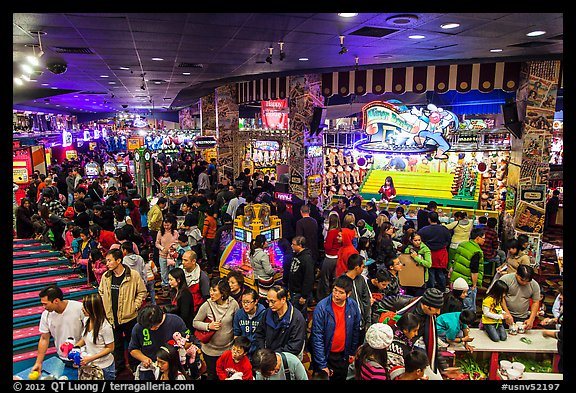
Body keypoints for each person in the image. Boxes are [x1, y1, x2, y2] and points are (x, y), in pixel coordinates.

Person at [98, 248, 147, 375]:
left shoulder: (133, 275)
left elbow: (142, 292)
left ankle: (135, 366)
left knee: (133, 343)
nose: (107, 263)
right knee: (116, 345)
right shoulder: (106, 276)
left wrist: (134, 306)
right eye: (106, 261)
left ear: (118, 260)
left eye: (109, 261)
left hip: (129, 318)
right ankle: (119, 368)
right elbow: (101, 292)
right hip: (111, 318)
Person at [310, 275, 361, 380]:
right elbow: (317, 337)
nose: (336, 295)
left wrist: (352, 351)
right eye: (335, 290)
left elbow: (355, 330)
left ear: (348, 294)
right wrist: (322, 364)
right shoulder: (322, 307)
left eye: (341, 292)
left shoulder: (353, 306)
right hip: (326, 355)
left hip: (343, 355)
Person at [31, 285, 85, 375]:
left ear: (56, 301)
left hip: (84, 357)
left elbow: (91, 333)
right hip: (63, 358)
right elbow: (44, 338)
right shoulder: (46, 315)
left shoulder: (79, 308)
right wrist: (38, 362)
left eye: (45, 304)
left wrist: (77, 349)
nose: (43, 307)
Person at [192, 278, 239, 380]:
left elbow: (237, 325)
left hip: (228, 350)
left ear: (223, 292)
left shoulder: (233, 304)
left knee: (227, 375)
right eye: (210, 290)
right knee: (212, 375)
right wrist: (208, 326)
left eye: (214, 290)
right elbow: (195, 322)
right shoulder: (207, 305)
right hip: (210, 351)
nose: (211, 293)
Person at [128, 305, 191, 381]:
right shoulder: (139, 326)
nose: (151, 329)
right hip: (151, 365)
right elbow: (133, 349)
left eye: (153, 327)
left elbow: (189, 342)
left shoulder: (175, 321)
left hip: (172, 366)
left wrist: (182, 346)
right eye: (148, 327)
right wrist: (144, 358)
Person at [254, 285, 307, 359]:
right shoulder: (267, 313)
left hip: (286, 359)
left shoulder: (297, 319)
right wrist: (263, 351)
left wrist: (274, 356)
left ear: (283, 299)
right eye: (268, 301)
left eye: (273, 301)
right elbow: (259, 334)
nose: (270, 305)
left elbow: (294, 347)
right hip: (268, 356)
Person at [73, 293, 116, 380]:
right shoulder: (86, 320)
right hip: (89, 365)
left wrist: (90, 358)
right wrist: (75, 347)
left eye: (85, 307)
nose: (82, 309)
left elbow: (110, 348)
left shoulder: (105, 327)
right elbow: (85, 339)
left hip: (104, 367)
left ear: (93, 309)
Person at [449, 227, 486, 312]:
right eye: (483, 238)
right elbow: (474, 270)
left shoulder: (463, 245)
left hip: (457, 279)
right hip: (467, 282)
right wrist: (474, 284)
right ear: (477, 238)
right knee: (468, 307)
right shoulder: (476, 251)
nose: (484, 240)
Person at [417, 211, 452, 293]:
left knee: (430, 273)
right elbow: (449, 239)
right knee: (440, 273)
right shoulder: (444, 229)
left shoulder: (424, 230)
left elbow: (418, 239)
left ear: (429, 219)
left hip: (429, 253)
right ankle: (442, 289)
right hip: (441, 254)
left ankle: (431, 290)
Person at [499, 265, 541, 331]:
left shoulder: (534, 285)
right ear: (516, 274)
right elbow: (500, 298)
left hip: (522, 317)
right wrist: (507, 314)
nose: (524, 283)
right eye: (522, 280)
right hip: (504, 315)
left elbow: (535, 302)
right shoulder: (505, 279)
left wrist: (531, 319)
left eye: (527, 281)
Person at [342, 254, 372, 341]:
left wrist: (368, 320)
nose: (363, 269)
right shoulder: (341, 281)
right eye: (362, 266)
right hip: (347, 325)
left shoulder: (361, 280)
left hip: (361, 324)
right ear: (356, 267)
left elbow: (366, 300)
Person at [232, 287, 266, 360]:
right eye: (243, 302)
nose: (245, 305)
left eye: (248, 302)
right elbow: (236, 333)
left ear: (256, 301)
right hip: (243, 352)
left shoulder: (263, 314)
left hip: (258, 352)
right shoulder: (239, 314)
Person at [288, 235, 316, 321]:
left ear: (300, 246)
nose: (291, 246)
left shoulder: (307, 259)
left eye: (293, 244)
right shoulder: (296, 255)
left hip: (299, 293)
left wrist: (304, 296)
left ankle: (302, 331)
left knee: (300, 316)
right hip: (294, 291)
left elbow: (309, 279)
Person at [386, 312, 421, 380]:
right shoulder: (395, 347)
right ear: (405, 330)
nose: (416, 334)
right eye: (414, 331)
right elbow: (395, 373)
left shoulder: (405, 340)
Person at [317, 212, 342, 301]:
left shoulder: (331, 232)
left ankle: (326, 298)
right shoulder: (340, 231)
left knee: (325, 279)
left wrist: (324, 244)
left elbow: (327, 247)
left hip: (330, 258)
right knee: (335, 279)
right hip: (337, 258)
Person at [402, 231, 432, 296]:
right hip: (409, 277)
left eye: (419, 240)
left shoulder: (425, 250)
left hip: (421, 278)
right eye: (415, 240)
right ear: (411, 240)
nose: (418, 242)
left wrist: (416, 258)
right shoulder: (408, 249)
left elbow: (428, 264)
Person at [156, 215, 180, 296]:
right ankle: (165, 286)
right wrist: (162, 248)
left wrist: (173, 247)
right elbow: (157, 243)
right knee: (164, 272)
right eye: (164, 225)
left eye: (168, 225)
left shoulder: (175, 233)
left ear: (171, 224)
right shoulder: (160, 232)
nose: (166, 227)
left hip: (172, 256)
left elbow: (178, 243)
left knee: (172, 271)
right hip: (162, 255)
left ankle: (172, 287)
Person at [182, 250, 210, 315]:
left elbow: (206, 296)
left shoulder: (202, 277)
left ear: (193, 261)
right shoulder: (180, 271)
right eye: (182, 260)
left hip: (195, 309)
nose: (183, 262)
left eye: (186, 260)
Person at [249, 234, 276, 302]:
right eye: (266, 242)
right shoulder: (263, 255)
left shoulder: (251, 252)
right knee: (268, 300)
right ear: (262, 243)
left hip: (256, 278)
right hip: (265, 281)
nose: (267, 243)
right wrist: (275, 271)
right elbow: (268, 271)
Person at [148, 197, 167, 269]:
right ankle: (156, 262)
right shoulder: (157, 211)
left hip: (152, 230)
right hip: (155, 230)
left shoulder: (154, 208)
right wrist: (155, 228)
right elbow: (153, 221)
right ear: (162, 204)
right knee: (157, 246)